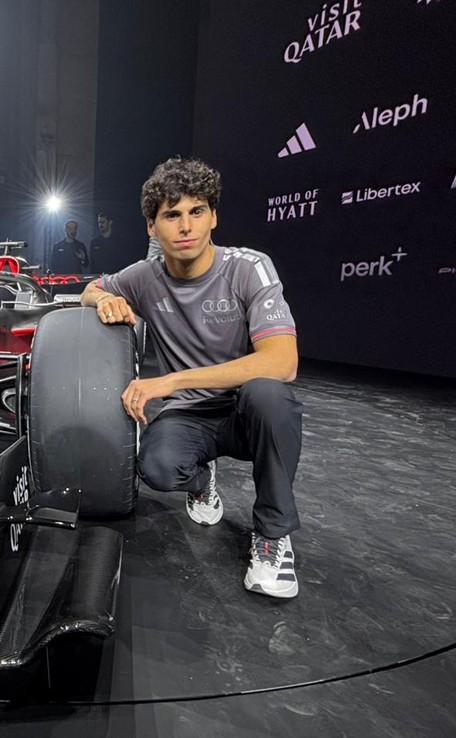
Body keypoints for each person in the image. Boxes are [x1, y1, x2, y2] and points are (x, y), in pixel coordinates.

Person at [80, 157, 302, 599]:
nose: (186, 226)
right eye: (171, 215)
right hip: (191, 416)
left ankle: (273, 534)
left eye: (196, 211)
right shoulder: (144, 277)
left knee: (270, 396)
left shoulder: (249, 267)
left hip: (245, 409)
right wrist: (103, 300)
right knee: (157, 469)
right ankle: (202, 480)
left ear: (214, 216)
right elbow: (92, 287)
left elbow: (283, 362)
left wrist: (170, 382)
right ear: (151, 226)